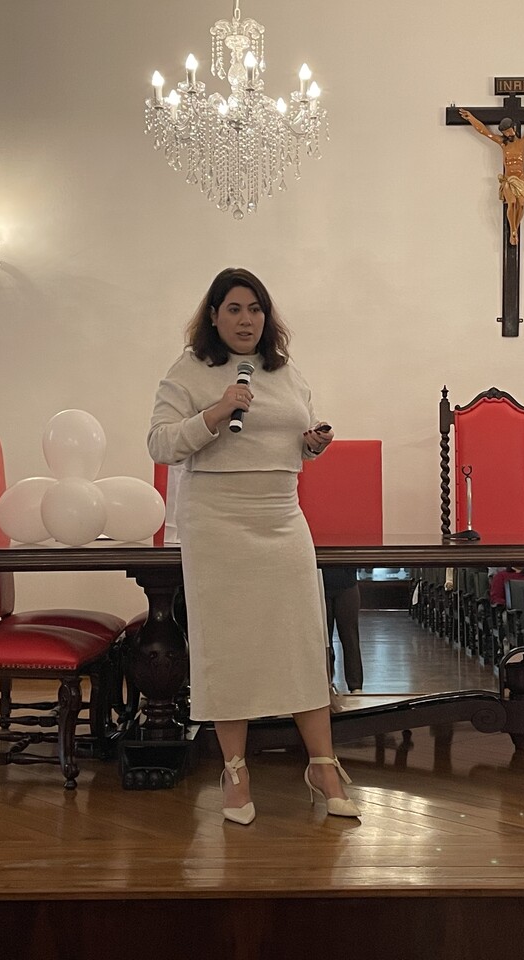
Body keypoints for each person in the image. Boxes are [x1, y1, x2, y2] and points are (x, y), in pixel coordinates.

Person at [147, 267, 360, 824]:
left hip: (281, 514)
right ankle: (235, 771)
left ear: (267, 317)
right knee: (230, 643)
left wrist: (311, 444)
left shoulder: (285, 371)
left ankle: (323, 766)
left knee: (301, 638)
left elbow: (292, 438)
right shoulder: (188, 369)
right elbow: (161, 444)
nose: (246, 320)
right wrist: (215, 413)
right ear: (214, 316)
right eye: (234, 309)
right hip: (216, 518)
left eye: (255, 309)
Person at [457, 108, 524, 245]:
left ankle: (515, 227)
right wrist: (471, 118)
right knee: (512, 203)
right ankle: (513, 230)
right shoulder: (503, 144)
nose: (507, 134)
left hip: (521, 178)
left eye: (509, 131)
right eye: (505, 132)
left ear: (513, 128)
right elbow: (484, 132)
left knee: (521, 205)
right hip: (508, 178)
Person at [322, 565, 363, 694]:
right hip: (319, 584)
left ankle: (356, 686)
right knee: (323, 640)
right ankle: (325, 683)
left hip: (347, 584)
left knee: (350, 638)